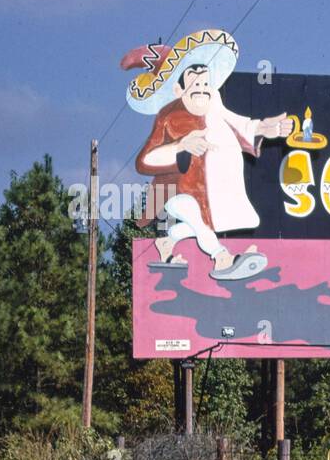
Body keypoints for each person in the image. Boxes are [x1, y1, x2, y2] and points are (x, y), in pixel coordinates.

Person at [123, 30, 292, 277]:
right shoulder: (169, 116)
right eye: (195, 83)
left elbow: (241, 124)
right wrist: (180, 146)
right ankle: (222, 258)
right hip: (177, 191)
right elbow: (144, 160)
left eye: (205, 83)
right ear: (179, 90)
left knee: (199, 223)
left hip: (211, 193)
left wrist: (268, 127)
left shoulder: (214, 106)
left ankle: (167, 243)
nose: (202, 89)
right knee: (195, 216)